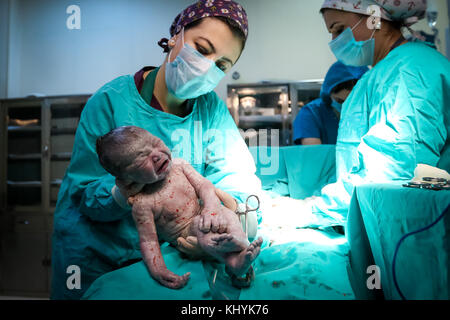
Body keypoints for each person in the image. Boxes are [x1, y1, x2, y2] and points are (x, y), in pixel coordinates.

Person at [51, 0, 263, 300]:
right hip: (100, 258)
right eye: (202, 49)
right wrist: (120, 191)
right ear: (176, 35)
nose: (208, 68)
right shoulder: (111, 102)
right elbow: (82, 192)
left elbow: (236, 177)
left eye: (221, 65)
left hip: (174, 255)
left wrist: (229, 214)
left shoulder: (210, 109)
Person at [310, 0, 450, 224]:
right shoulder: (382, 72)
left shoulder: (410, 72)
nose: (334, 41)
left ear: (374, 18)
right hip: (374, 218)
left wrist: (314, 210)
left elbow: (392, 174)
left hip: (414, 230)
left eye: (339, 29)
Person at [95, 126, 263, 289]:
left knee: (228, 215)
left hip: (206, 211)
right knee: (200, 226)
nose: (156, 155)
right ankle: (233, 261)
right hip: (187, 233)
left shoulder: (179, 166)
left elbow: (204, 185)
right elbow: (148, 241)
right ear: (125, 179)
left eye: (155, 143)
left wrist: (212, 207)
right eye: (142, 158)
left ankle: (240, 248)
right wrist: (159, 270)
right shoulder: (143, 203)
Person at [293, 61, 368, 145]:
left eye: (353, 102)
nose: (346, 106)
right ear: (329, 93)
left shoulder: (370, 113)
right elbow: (314, 154)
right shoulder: (310, 114)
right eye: (340, 101)